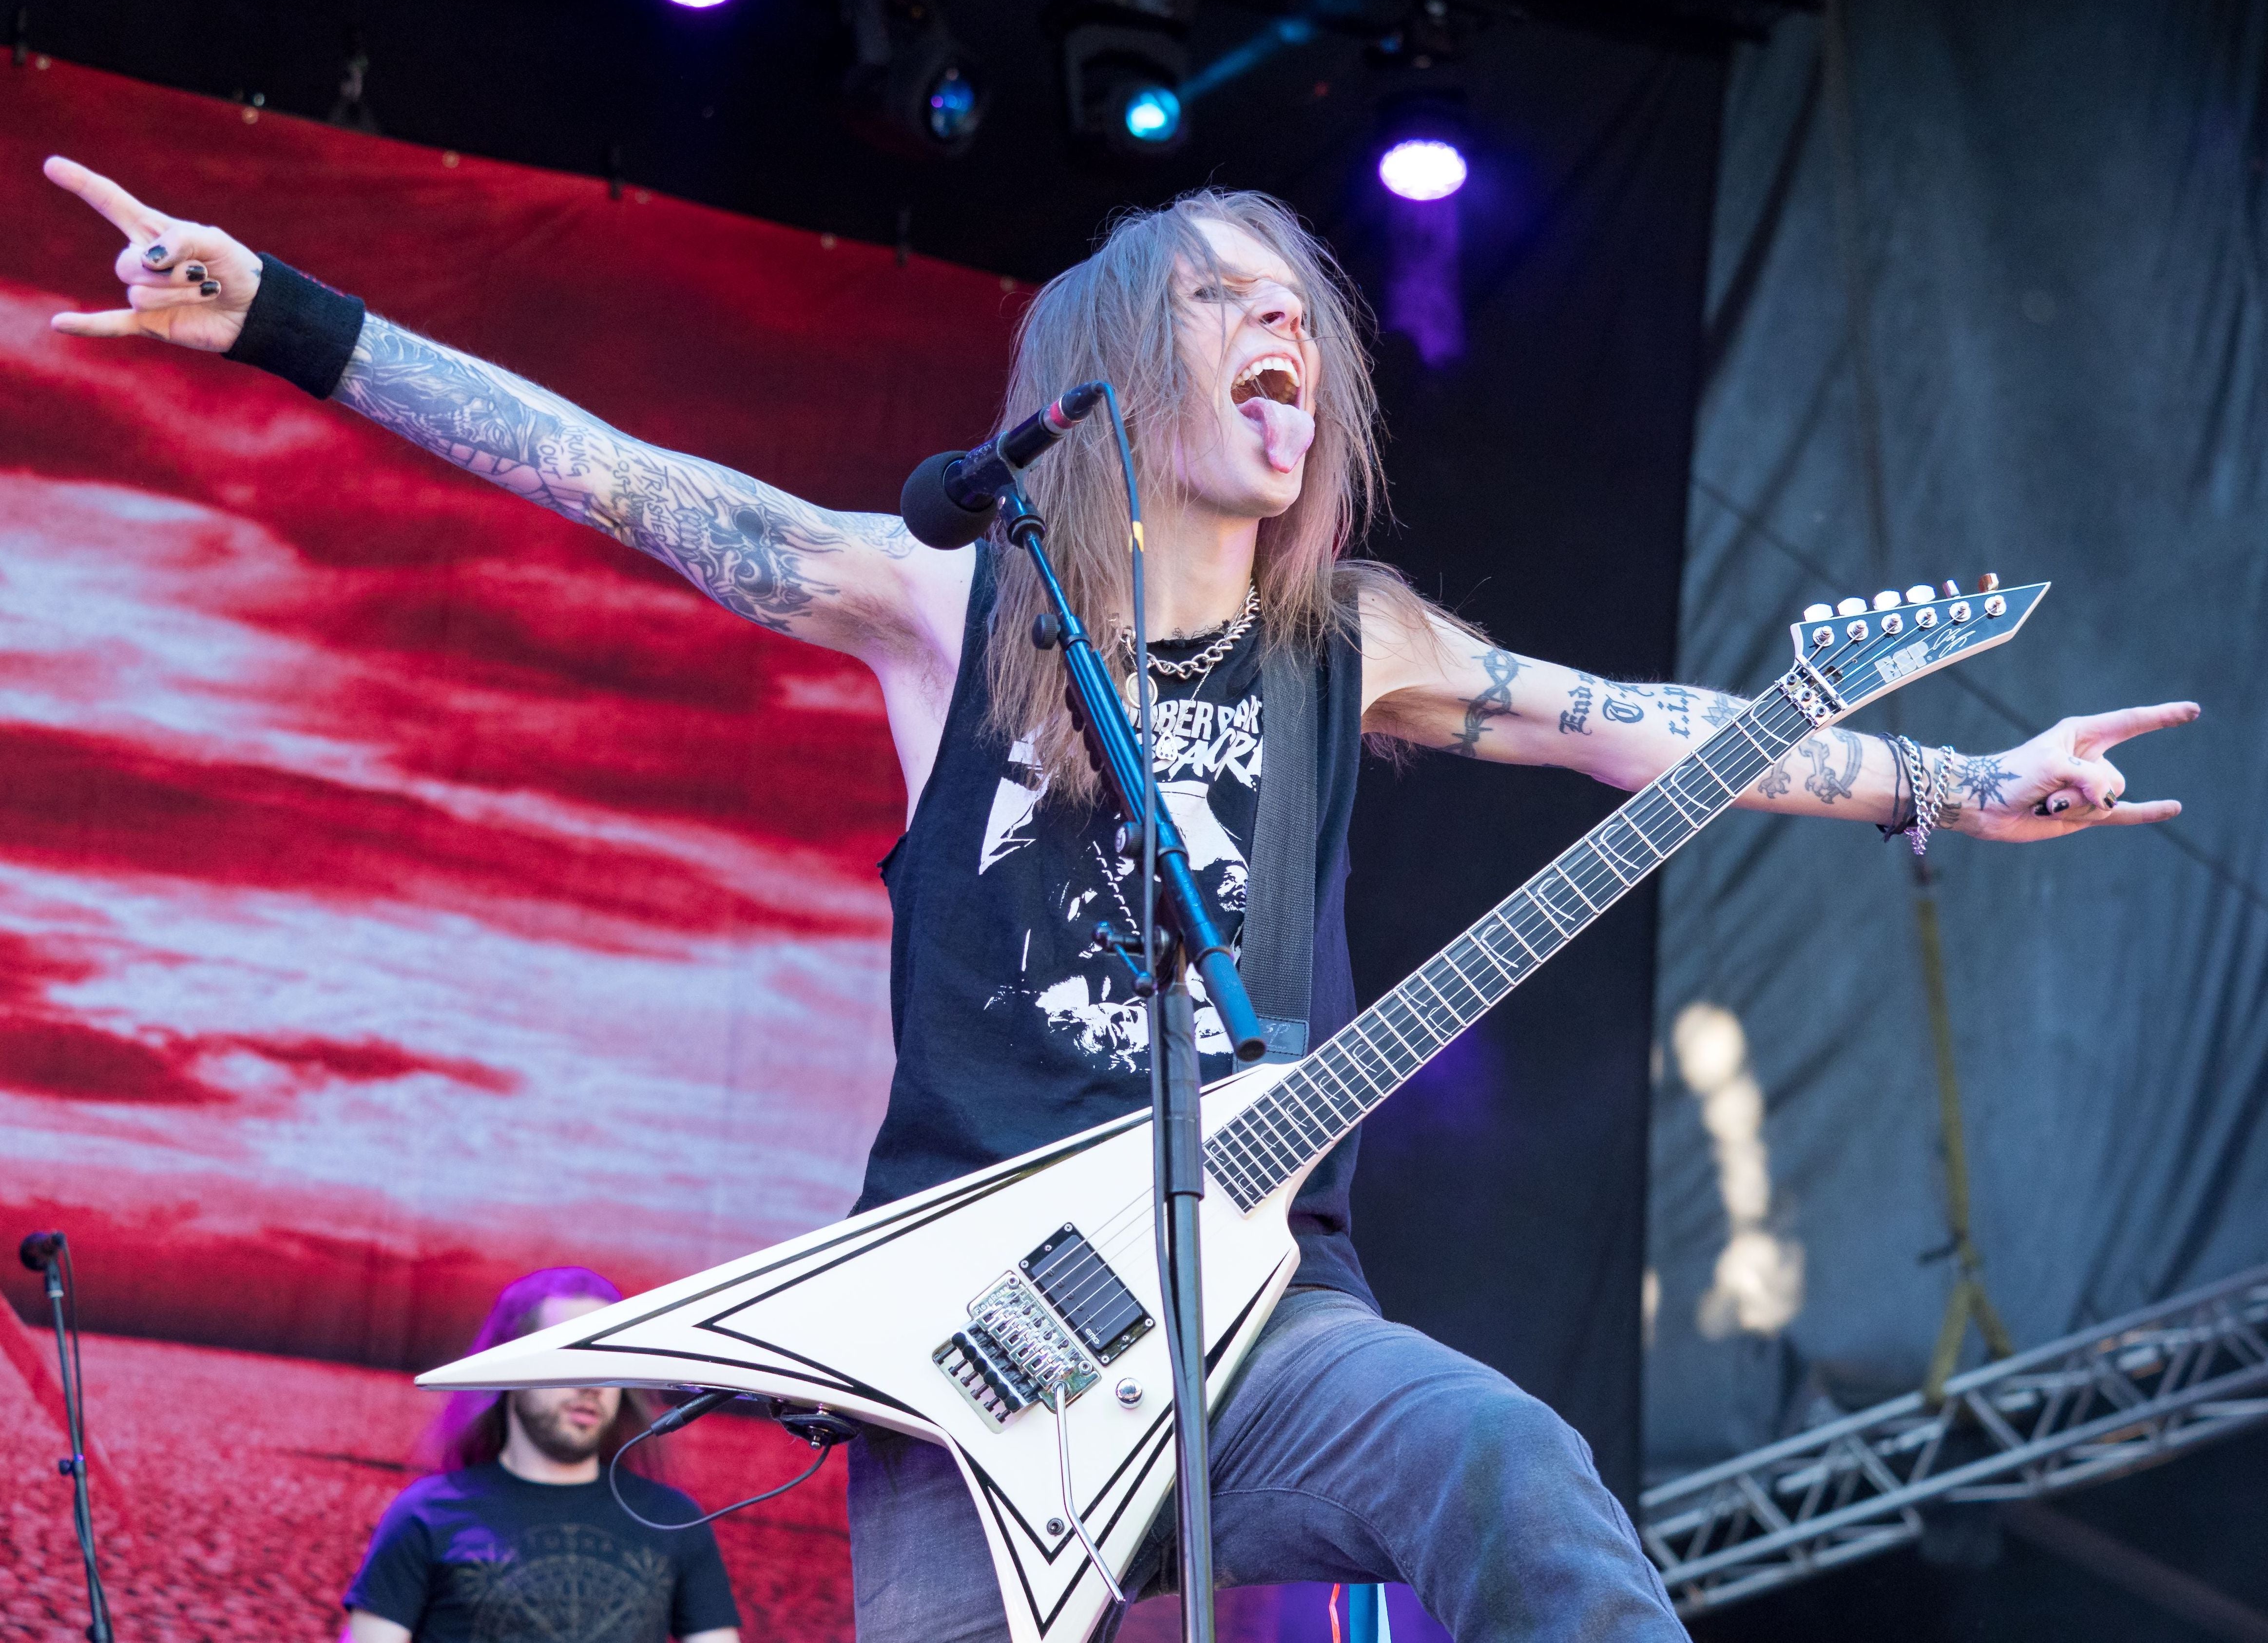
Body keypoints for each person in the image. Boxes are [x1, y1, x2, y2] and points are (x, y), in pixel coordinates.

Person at [46, 157, 2194, 1642]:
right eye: (1226, 298)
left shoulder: (1356, 632)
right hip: (973, 1351)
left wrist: (1953, 773)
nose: (1291, 323)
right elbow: (617, 480)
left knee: (1511, 1465)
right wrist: (285, 321)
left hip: (1273, 1316)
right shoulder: (948, 595)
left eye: (1304, 311)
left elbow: (1642, 724)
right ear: (1113, 363)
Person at [342, 1267, 742, 1643]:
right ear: (510, 1368)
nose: (593, 1384)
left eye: (610, 1361)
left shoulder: (673, 1519)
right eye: (570, 1356)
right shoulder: (425, 1515)